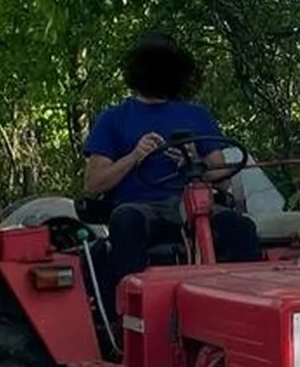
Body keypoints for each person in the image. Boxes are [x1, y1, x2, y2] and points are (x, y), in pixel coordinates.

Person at [82, 31, 262, 310]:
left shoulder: (196, 115)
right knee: (125, 220)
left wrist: (194, 162)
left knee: (241, 228)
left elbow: (222, 177)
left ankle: (249, 310)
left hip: (193, 207)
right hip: (140, 209)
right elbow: (93, 184)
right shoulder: (113, 118)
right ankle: (132, 316)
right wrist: (134, 156)